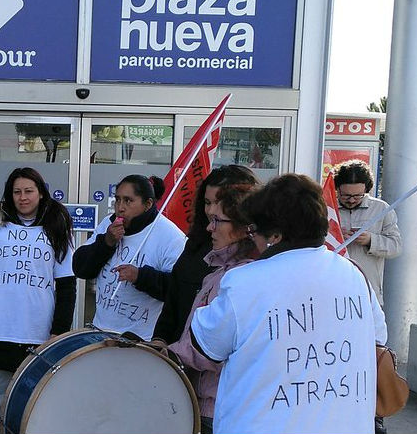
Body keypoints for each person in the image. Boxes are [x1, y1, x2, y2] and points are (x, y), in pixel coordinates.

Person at [190, 174, 387, 434]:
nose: (253, 239)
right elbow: (379, 339)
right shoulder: (354, 274)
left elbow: (207, 343)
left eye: (253, 230)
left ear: (275, 235)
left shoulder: (244, 281)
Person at [0, 168, 75, 434]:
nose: (23, 198)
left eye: (28, 191)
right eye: (17, 192)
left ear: (40, 192)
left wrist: (59, 332)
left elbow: (67, 286)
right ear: (9, 195)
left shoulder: (57, 231)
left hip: (39, 337)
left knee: (36, 412)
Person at [120, 165, 259, 344]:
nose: (211, 212)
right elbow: (173, 300)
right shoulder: (196, 246)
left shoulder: (257, 260)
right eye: (207, 203)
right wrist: (160, 341)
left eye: (219, 204)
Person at [165, 180, 260, 434]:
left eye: (218, 220)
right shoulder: (222, 270)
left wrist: (168, 355)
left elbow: (213, 346)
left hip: (220, 409)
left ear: (244, 228)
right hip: (205, 402)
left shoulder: (242, 278)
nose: (209, 227)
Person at [73, 175, 185, 340]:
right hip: (100, 332)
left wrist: (141, 277)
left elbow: (179, 291)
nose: (120, 208)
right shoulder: (108, 224)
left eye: (128, 201)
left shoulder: (171, 236)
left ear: (147, 204)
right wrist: (106, 243)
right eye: (117, 200)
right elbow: (80, 268)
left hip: (142, 340)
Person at [335, 160, 402, 303]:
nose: (352, 200)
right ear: (337, 189)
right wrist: (334, 237)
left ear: (366, 190)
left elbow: (395, 247)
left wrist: (371, 240)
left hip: (368, 290)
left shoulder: (381, 209)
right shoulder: (326, 209)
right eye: (346, 195)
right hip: (333, 289)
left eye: (358, 195)